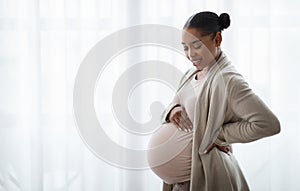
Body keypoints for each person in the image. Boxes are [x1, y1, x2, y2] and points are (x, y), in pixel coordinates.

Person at [147, 11, 281, 191]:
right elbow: (175, 103)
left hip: (207, 179)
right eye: (185, 47)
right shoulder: (191, 74)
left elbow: (268, 124)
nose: (190, 54)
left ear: (217, 39)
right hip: (181, 184)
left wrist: (220, 135)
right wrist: (173, 111)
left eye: (196, 45)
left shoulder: (229, 81)